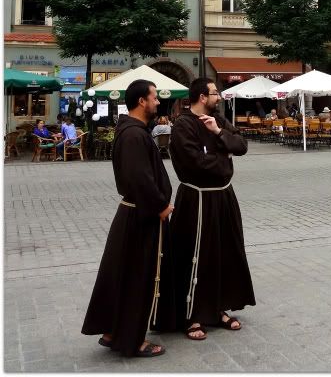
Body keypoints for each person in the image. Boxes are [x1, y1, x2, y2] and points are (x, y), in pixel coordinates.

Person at [82, 79, 174, 358]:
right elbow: (139, 178)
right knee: (137, 278)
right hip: (140, 215)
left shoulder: (133, 131)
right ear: (141, 101)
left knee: (122, 274)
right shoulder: (134, 134)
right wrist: (160, 205)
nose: (158, 102)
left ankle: (112, 331)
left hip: (134, 212)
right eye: (154, 97)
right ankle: (132, 341)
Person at [169, 77, 255, 341]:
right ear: (202, 97)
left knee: (223, 253)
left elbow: (241, 147)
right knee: (197, 256)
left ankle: (218, 309)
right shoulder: (183, 125)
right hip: (197, 199)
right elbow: (194, 163)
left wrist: (219, 134)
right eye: (215, 93)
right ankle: (192, 315)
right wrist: (222, 158)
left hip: (223, 198)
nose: (219, 97)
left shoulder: (219, 120)